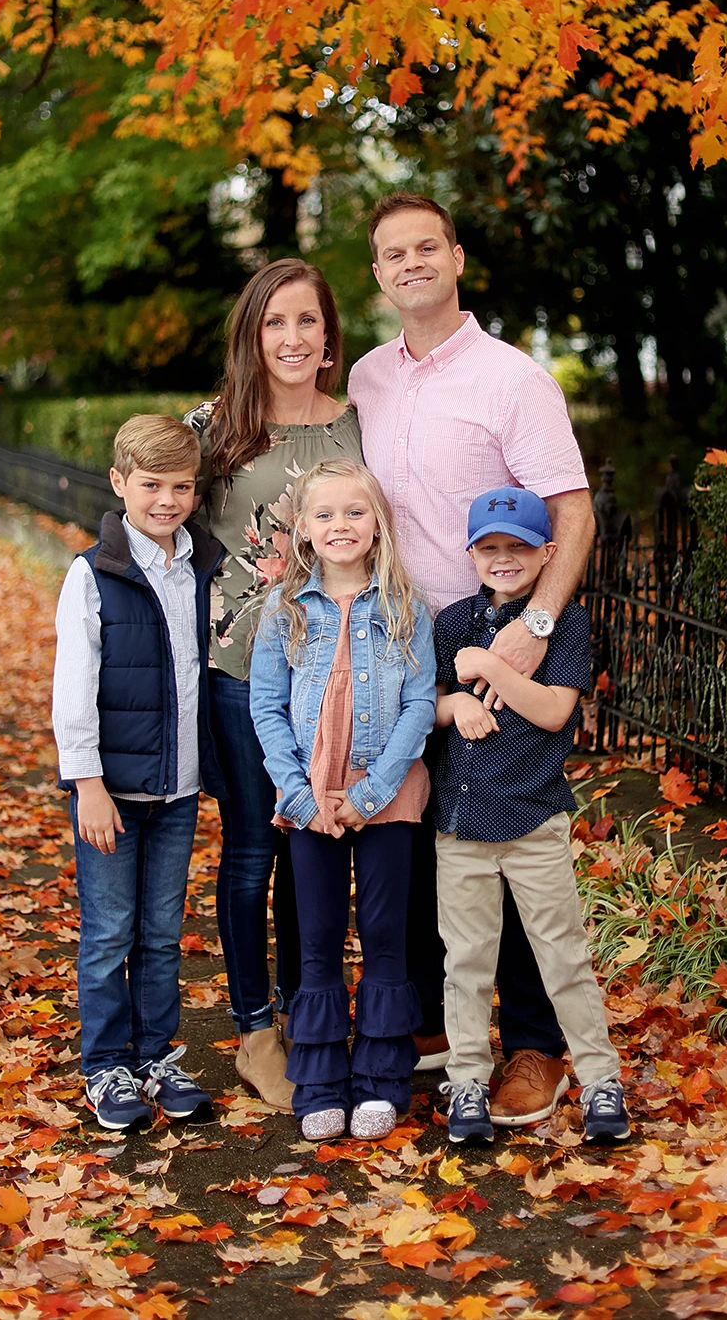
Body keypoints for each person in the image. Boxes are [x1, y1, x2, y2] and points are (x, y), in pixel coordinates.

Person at [349, 192, 596, 1127]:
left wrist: (530, 627)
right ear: (377, 273)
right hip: (397, 648)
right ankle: (437, 1028)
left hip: (493, 643)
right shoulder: (366, 380)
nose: (410, 263)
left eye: (426, 247)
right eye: (392, 253)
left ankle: (535, 1045)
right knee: (418, 831)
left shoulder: (512, 380)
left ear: (457, 257)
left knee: (509, 834)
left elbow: (572, 510)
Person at [185, 260, 363, 1111]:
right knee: (255, 849)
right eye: (274, 324)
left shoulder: (359, 425)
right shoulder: (213, 431)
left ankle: (307, 1013)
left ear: (329, 335)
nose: (292, 339)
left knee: (312, 848)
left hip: (334, 673)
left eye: (307, 322)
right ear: (252, 337)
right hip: (241, 670)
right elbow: (151, 525)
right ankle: (256, 1032)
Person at [433, 486, 630, 1146]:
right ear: (471, 555)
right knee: (465, 962)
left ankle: (602, 1081)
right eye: (488, 548)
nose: (503, 559)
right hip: (460, 824)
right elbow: (427, 702)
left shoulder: (567, 624)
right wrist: (454, 705)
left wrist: (490, 667)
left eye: (517, 548)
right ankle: (464, 1081)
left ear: (547, 553)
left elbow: (552, 711)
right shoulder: (452, 623)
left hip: (533, 820)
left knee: (562, 958)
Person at [249, 459, 434, 1141]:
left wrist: (375, 789)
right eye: (324, 514)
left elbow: (419, 706)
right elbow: (266, 707)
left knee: (387, 936)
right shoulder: (284, 609)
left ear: (377, 524)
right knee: (318, 938)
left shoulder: (406, 607)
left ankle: (382, 1078)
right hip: (309, 802)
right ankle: (321, 1079)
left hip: (386, 797)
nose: (340, 526)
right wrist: (299, 795)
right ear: (302, 528)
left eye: (354, 513)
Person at [52, 414, 221, 1131]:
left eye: (181, 486)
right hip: (111, 795)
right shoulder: (95, 574)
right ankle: (106, 1067)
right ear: (120, 482)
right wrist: (86, 782)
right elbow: (73, 685)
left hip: (177, 790)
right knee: (110, 933)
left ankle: (156, 1056)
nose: (166, 500)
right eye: (151, 485)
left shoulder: (205, 565)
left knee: (160, 932)